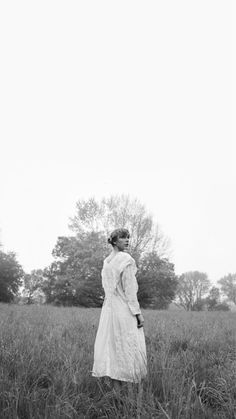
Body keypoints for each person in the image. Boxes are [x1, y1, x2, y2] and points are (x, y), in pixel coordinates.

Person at [92, 228, 147, 386]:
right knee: (127, 344)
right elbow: (130, 291)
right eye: (123, 238)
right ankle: (126, 386)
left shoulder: (106, 262)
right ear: (114, 241)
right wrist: (137, 313)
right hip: (123, 308)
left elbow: (106, 287)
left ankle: (114, 384)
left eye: (128, 237)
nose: (127, 240)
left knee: (111, 345)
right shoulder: (125, 259)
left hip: (108, 309)